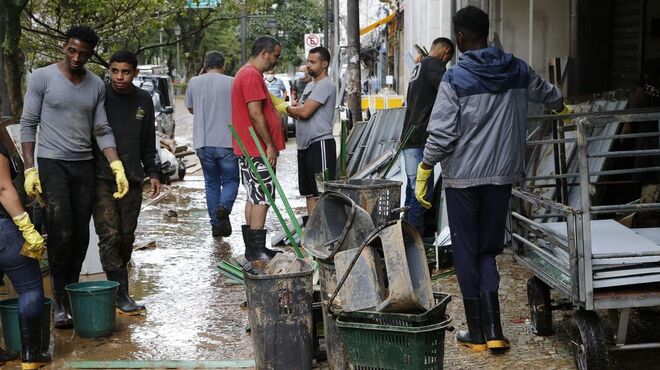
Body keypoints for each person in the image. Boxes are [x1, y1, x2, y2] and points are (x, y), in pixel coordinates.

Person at [416, 6, 567, 352]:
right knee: (488, 250)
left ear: (459, 37)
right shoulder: (517, 69)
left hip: (464, 180)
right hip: (501, 177)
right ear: (487, 32)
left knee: (467, 252)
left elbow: (441, 134)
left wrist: (426, 167)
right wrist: (562, 106)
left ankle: (477, 332)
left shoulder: (454, 79)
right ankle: (496, 330)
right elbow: (548, 92)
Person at [20, 26, 128, 329]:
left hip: (84, 165)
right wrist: (30, 168)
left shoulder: (95, 85)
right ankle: (60, 303)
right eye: (72, 50)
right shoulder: (43, 77)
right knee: (60, 233)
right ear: (64, 46)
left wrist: (115, 164)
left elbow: (102, 128)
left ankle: (70, 293)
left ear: (92, 53)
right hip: (52, 163)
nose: (77, 57)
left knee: (81, 236)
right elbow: (28, 124)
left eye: (83, 53)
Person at [93, 50, 160, 315]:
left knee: (126, 235)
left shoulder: (143, 99)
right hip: (101, 177)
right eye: (115, 71)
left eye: (126, 71)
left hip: (132, 176)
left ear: (135, 73)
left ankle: (119, 286)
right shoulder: (99, 96)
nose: (119, 77)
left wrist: (153, 173)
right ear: (109, 71)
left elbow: (148, 140)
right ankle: (120, 294)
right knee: (108, 235)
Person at [231, 36, 286, 261]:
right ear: (264, 53)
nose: (276, 60)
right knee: (263, 197)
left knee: (254, 196)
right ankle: (256, 250)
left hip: (249, 147)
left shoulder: (246, 73)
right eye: (276, 55)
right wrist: (270, 146)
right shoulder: (251, 75)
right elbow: (255, 114)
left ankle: (253, 248)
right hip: (257, 149)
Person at [0, 140, 51, 370]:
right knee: (29, 287)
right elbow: (2, 188)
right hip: (4, 230)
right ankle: (31, 355)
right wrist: (26, 226)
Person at [274, 46, 337, 216]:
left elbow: (304, 112)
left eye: (312, 62)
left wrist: (284, 107)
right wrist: (292, 108)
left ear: (324, 64)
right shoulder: (310, 86)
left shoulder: (326, 85)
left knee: (322, 192)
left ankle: (324, 234)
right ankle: (312, 234)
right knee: (309, 193)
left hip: (320, 143)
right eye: (308, 61)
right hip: (304, 146)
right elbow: (300, 112)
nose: (308, 65)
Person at [401, 37, 454, 235]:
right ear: (445, 52)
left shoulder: (419, 66)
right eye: (449, 59)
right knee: (422, 194)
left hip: (409, 137)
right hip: (421, 138)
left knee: (412, 190)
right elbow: (451, 93)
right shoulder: (434, 65)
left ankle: (404, 235)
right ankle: (416, 238)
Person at [185, 51, 239, 238]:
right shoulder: (232, 82)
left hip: (202, 142)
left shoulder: (194, 82)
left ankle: (216, 226)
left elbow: (191, 108)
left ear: (204, 65)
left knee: (211, 184)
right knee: (231, 180)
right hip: (227, 142)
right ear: (223, 65)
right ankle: (224, 207)